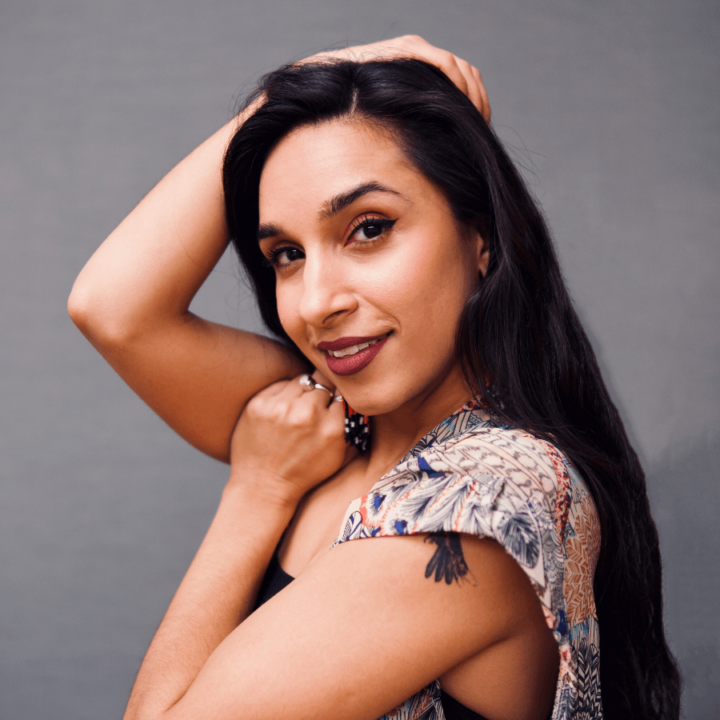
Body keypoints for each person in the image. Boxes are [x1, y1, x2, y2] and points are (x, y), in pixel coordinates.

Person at [68, 36, 680, 720]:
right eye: (288, 254)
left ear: (480, 236)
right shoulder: (339, 421)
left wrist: (256, 490)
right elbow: (112, 309)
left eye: (369, 229)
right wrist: (302, 83)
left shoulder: (481, 504)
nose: (316, 301)